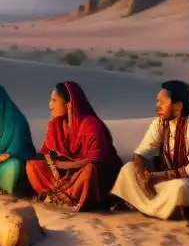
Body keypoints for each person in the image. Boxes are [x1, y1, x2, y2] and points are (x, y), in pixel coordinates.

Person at [110, 80, 189, 220]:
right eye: (157, 101)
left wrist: (156, 177)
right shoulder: (160, 122)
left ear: (178, 106)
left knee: (181, 188)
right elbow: (140, 153)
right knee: (128, 169)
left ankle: (147, 206)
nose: (157, 106)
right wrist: (145, 175)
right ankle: (161, 209)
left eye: (162, 102)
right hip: (163, 184)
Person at [25, 82, 123, 211]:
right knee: (33, 165)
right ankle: (55, 194)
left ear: (68, 104)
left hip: (94, 174)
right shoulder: (55, 125)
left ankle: (72, 197)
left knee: (90, 171)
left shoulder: (90, 124)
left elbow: (97, 159)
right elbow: (47, 154)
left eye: (54, 101)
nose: (50, 105)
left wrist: (67, 165)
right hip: (66, 174)